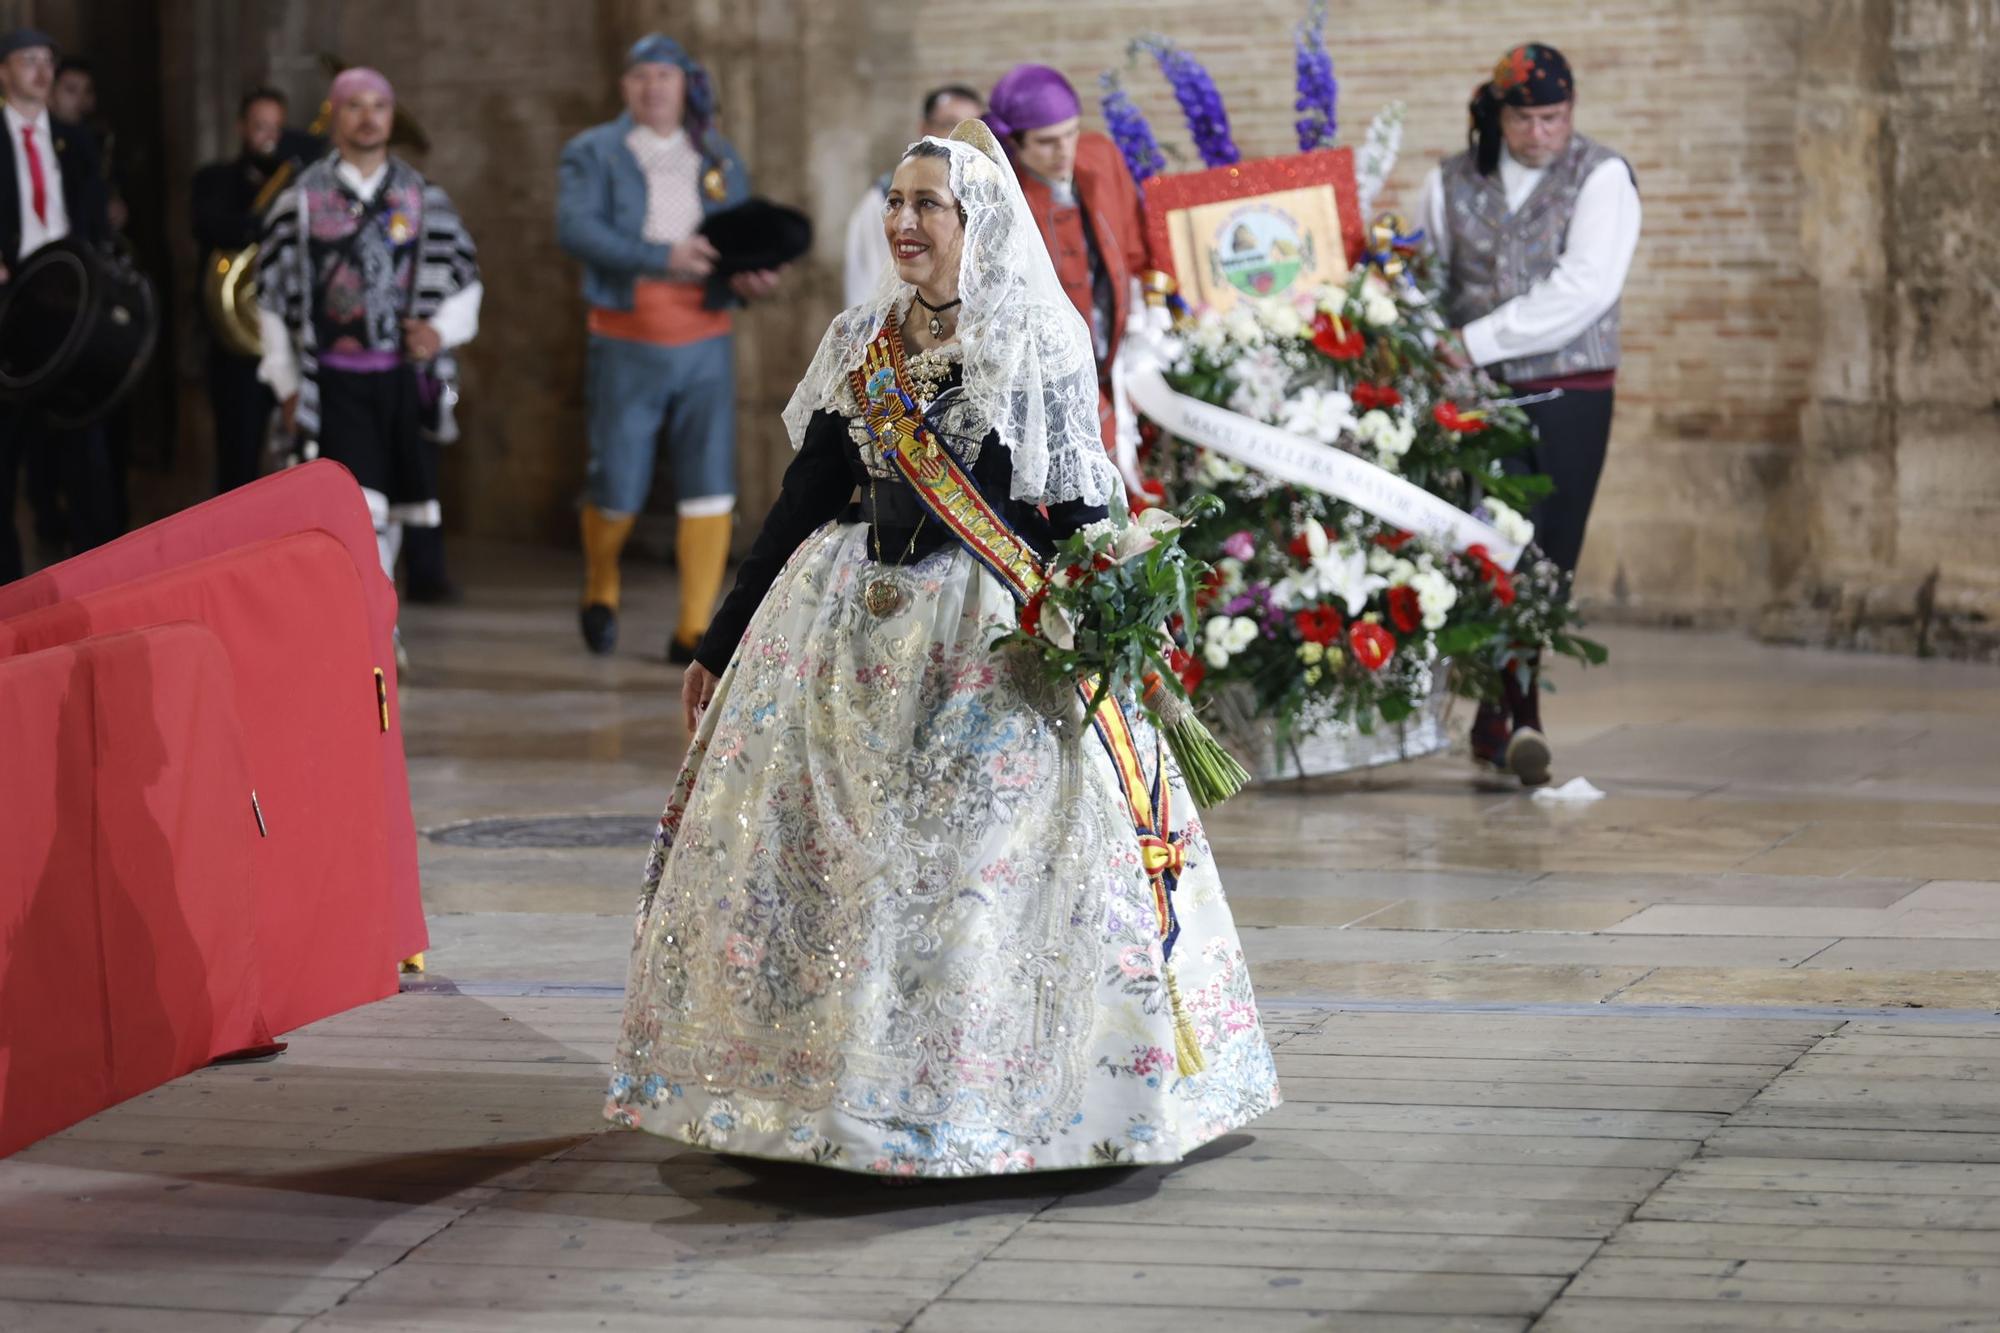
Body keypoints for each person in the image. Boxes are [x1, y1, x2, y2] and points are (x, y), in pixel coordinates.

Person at [604, 122, 1279, 1177]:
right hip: (842, 628)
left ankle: (981, 1100)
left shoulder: (1031, 342)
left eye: (929, 204)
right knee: (836, 861)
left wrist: (1107, 624)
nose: (904, 221)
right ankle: (833, 1100)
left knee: (967, 862)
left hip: (987, 639)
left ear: (976, 222)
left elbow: (1074, 509)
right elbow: (803, 499)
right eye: (896, 201)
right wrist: (719, 637)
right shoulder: (860, 340)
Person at [1420, 42, 1640, 787]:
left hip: (1571, 391)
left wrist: (1472, 342)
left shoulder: (1601, 176)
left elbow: (1585, 288)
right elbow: (1429, 279)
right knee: (1495, 543)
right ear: (1499, 113)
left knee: (1552, 552)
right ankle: (1521, 717)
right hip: (1479, 399)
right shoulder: (1449, 180)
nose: (1543, 132)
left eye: (1555, 116)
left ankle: (1496, 710)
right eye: (1527, 118)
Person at [558, 34, 782, 661]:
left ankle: (693, 626)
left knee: (709, 482)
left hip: (706, 333)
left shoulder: (714, 152)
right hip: (628, 334)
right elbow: (575, 228)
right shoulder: (593, 151)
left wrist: (751, 271)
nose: (653, 87)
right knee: (617, 481)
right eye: (640, 76)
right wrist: (663, 256)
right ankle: (601, 581)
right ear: (625, 87)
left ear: (685, 86)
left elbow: (739, 232)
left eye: (665, 75)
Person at [254, 67, 482, 625]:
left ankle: (378, 620)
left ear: (392, 115)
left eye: (378, 105)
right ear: (335, 116)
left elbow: (465, 277)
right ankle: (371, 628)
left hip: (402, 378)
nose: (368, 116)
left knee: (396, 509)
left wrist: (439, 332)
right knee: (363, 507)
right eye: (354, 105)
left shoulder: (423, 197)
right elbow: (270, 294)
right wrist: (285, 382)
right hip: (333, 379)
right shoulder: (301, 201)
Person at [985, 63, 1158, 456]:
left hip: (1118, 346)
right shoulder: (1000, 195)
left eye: (1071, 132)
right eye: (1047, 141)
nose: (1064, 150)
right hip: (1047, 372)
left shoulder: (1101, 156)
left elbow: (1132, 244)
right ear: (1014, 142)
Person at [0, 28, 116, 584]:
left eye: (48, 61)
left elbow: (91, 221)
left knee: (85, 444)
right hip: (8, 310)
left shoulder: (74, 140)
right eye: (29, 61)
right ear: (4, 72)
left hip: (71, 314)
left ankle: (97, 575)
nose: (42, 72)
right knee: (6, 453)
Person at [193, 86, 313, 494]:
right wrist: (263, 217)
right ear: (242, 128)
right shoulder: (215, 180)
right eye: (260, 126)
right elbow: (210, 227)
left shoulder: (303, 185)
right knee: (237, 457)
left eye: (277, 128)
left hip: (291, 342)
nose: (268, 137)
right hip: (236, 348)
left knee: (299, 458)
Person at [841, 83, 983, 307]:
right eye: (949, 124)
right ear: (924, 127)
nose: (960, 136)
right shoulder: (880, 199)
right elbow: (866, 288)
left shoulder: (988, 200)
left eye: (971, 128)